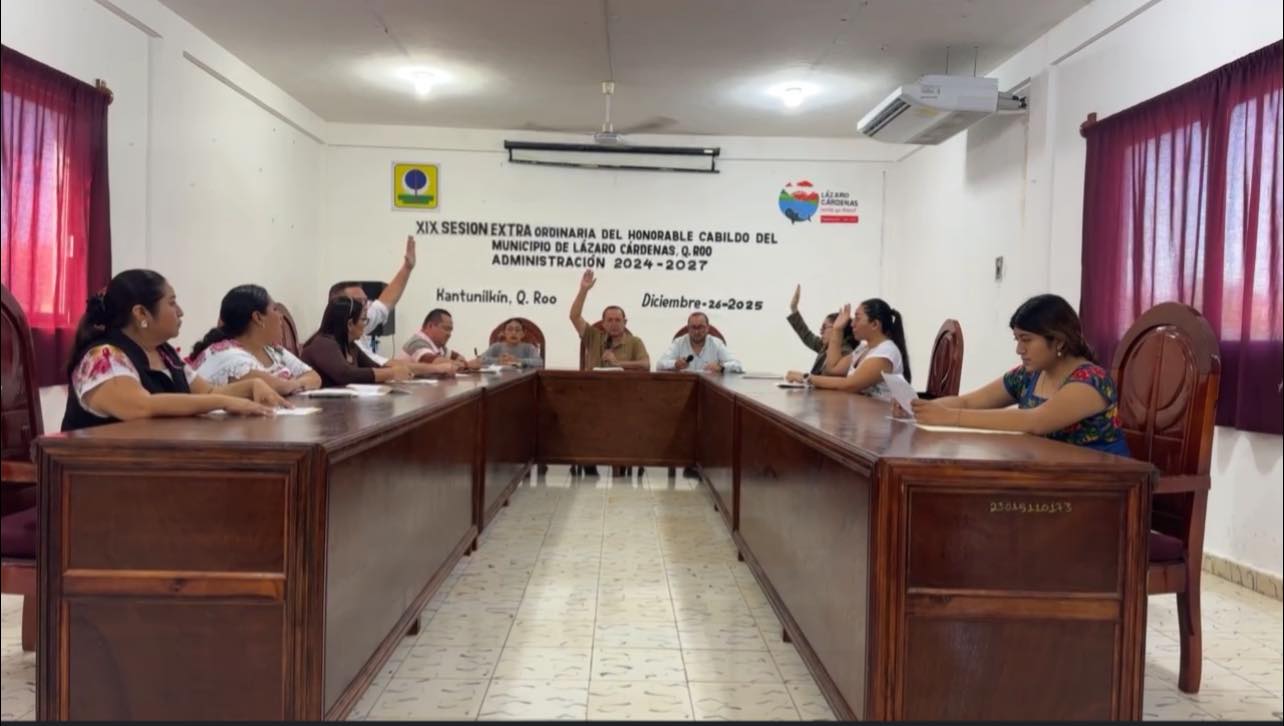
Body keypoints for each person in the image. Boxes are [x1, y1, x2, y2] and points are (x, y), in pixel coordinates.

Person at [61, 269, 285, 431]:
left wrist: (252, 386)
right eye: (171, 303)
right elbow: (142, 406)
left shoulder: (164, 352)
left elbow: (207, 392)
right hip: (101, 473)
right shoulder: (103, 357)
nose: (180, 311)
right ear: (141, 313)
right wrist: (223, 403)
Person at [907, 294, 1131, 455]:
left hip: (1101, 486)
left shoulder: (1091, 380)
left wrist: (951, 417)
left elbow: (1035, 421)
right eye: (1017, 340)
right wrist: (918, 408)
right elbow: (968, 402)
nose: (1019, 350)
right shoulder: (1027, 376)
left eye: (1026, 340)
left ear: (1059, 341)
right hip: (1050, 475)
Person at [188, 284, 322, 395]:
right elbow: (275, 387)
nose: (281, 316)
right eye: (275, 309)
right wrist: (296, 383)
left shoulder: (272, 350)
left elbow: (314, 377)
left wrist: (294, 384)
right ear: (258, 317)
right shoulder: (225, 354)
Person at [785, 298, 911, 400]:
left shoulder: (886, 353)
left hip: (878, 421)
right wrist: (837, 329)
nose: (852, 324)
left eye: (857, 318)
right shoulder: (863, 348)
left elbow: (849, 385)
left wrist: (806, 378)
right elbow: (832, 369)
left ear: (874, 324)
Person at [328, 235, 416, 364]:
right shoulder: (332, 340)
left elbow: (384, 303)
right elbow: (381, 365)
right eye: (359, 302)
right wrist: (436, 367)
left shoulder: (359, 322)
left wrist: (407, 268)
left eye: (365, 301)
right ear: (340, 305)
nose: (366, 307)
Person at [300, 296, 413, 386]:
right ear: (350, 324)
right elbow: (345, 374)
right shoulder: (323, 344)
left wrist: (400, 371)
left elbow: (374, 367)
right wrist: (391, 373)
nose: (365, 325)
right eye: (363, 320)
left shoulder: (351, 346)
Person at [568, 269, 650, 370]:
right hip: (593, 380)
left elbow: (646, 364)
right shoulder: (594, 337)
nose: (614, 324)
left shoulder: (635, 342)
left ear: (625, 323)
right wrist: (583, 290)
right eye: (610, 320)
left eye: (618, 320)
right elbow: (574, 316)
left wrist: (618, 363)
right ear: (603, 323)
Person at [787, 284, 855, 375]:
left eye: (824, 327)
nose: (821, 331)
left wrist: (803, 378)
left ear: (839, 326)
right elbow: (806, 335)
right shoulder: (825, 347)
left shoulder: (845, 353)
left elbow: (830, 379)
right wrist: (794, 308)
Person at [657, 312, 743, 373]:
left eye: (700, 327)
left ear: (707, 328)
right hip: (684, 387)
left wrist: (721, 368)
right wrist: (675, 364)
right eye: (693, 327)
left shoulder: (716, 343)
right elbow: (659, 364)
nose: (697, 332)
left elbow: (738, 365)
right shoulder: (679, 343)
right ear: (688, 328)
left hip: (709, 388)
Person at [398, 309, 481, 372]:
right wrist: (466, 365)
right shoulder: (416, 343)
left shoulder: (439, 346)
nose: (449, 334)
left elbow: (456, 356)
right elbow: (435, 362)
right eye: (446, 329)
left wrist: (463, 361)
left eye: (451, 330)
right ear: (430, 326)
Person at [480, 318, 544, 368]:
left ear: (523, 334)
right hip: (499, 378)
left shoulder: (529, 347)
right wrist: (499, 360)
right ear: (504, 333)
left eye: (517, 330)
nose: (513, 333)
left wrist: (517, 360)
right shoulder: (496, 347)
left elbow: (539, 362)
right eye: (510, 329)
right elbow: (480, 359)